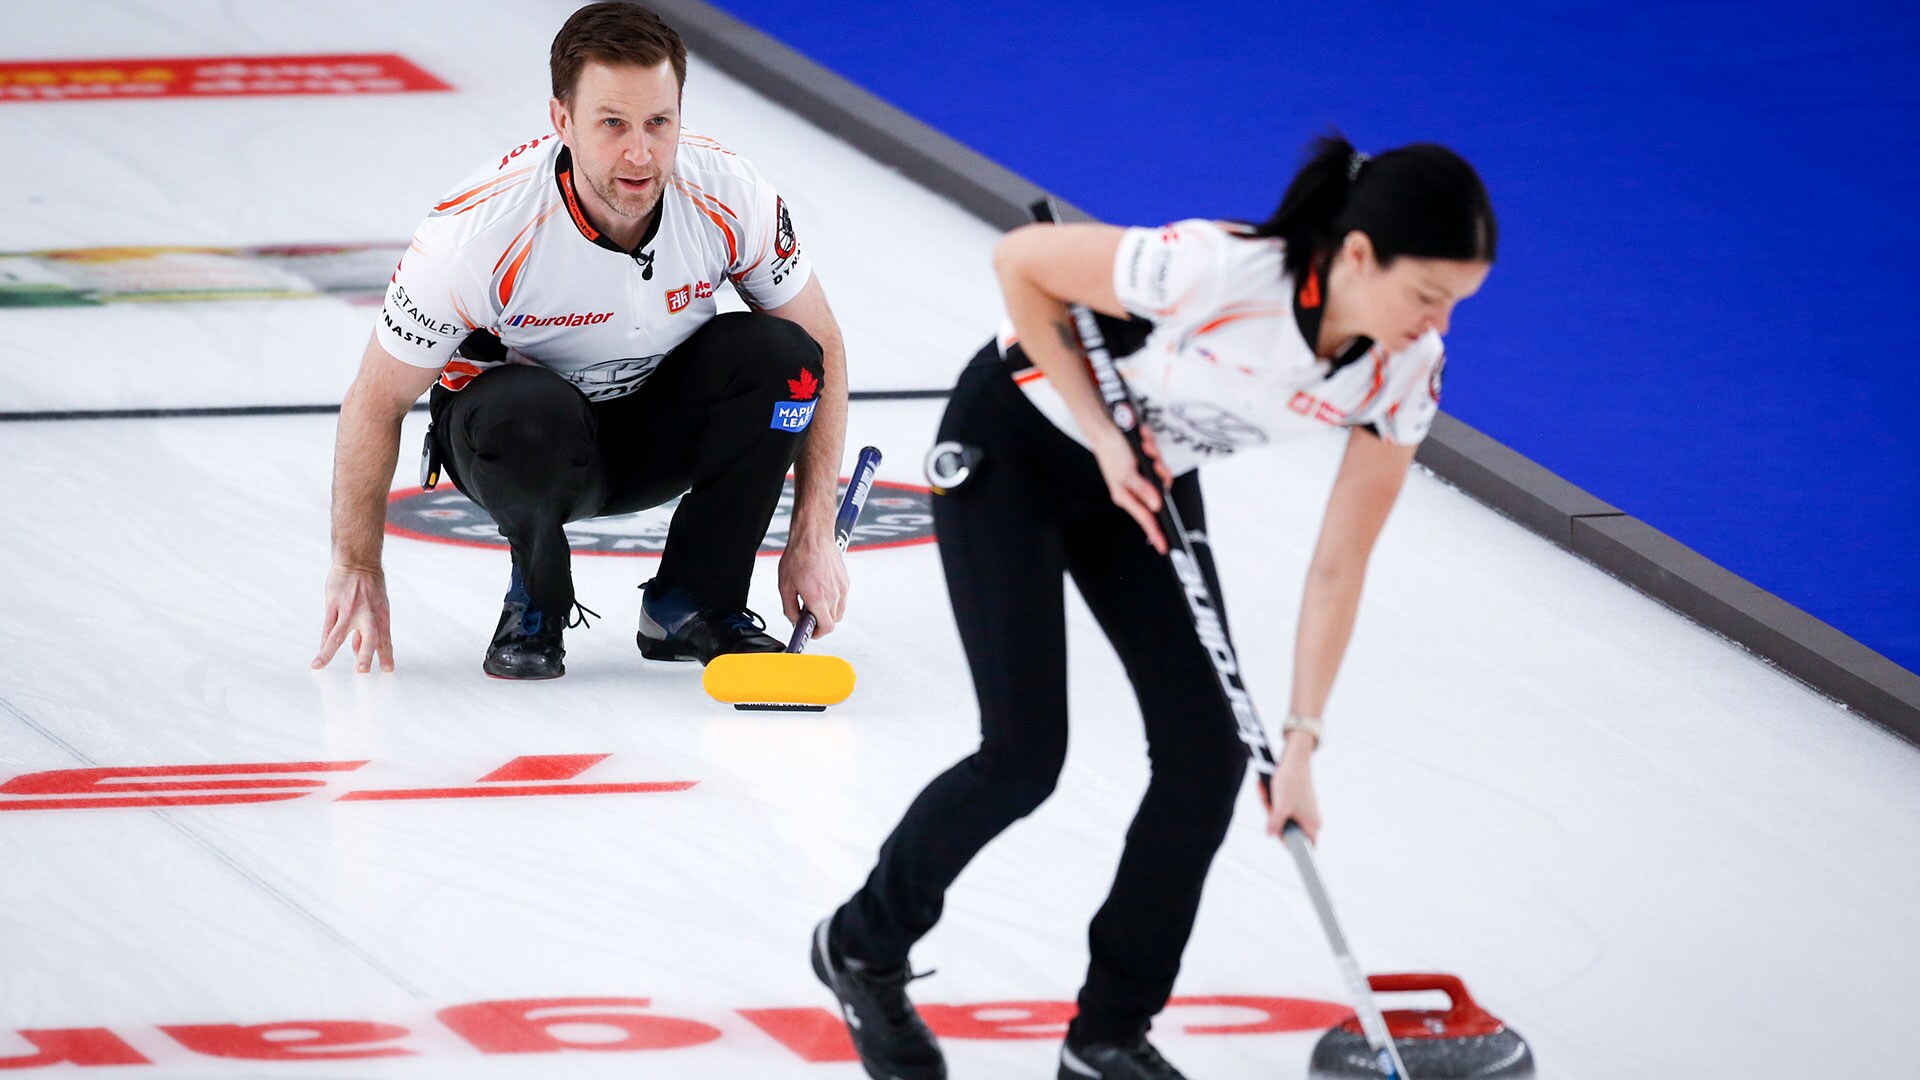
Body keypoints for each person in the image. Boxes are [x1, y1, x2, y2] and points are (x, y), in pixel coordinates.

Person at [811, 134, 1496, 1080]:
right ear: (1359, 255)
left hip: (1145, 479)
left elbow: (1340, 564)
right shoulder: (1219, 272)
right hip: (1017, 441)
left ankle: (1107, 1036)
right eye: (1428, 298)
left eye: (1457, 306)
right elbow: (1020, 264)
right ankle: (861, 945)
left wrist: (1300, 740)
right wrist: (1100, 430)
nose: (1438, 330)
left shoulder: (1401, 369)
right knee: (1022, 757)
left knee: (1210, 756)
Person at [311, 2, 850, 680]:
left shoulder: (729, 193)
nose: (640, 153)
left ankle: (694, 602)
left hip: (653, 430)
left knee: (786, 358)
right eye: (612, 125)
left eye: (659, 123)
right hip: (519, 441)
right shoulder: (477, 234)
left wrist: (813, 532)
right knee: (527, 409)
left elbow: (821, 341)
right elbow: (375, 400)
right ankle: (533, 603)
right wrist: (356, 564)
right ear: (562, 122)